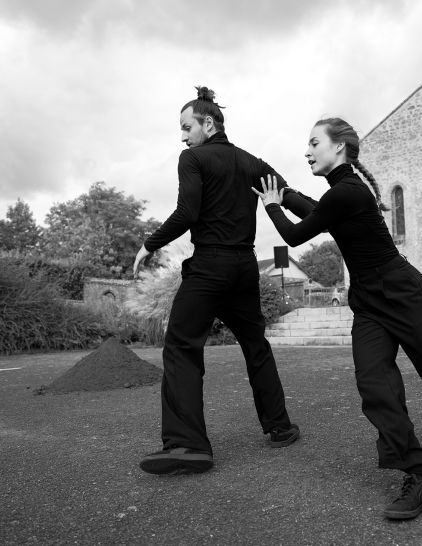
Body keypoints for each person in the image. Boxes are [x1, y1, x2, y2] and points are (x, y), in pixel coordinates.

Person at [252, 117, 422, 520]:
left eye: (314, 142)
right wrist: (285, 193)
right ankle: (421, 477)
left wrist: (272, 204)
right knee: (374, 386)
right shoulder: (340, 195)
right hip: (369, 303)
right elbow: (316, 210)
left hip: (403, 293)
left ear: (339, 147)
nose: (307, 150)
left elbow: (297, 234)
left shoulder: (348, 191)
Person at [132, 86, 312, 475]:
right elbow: (294, 199)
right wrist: (344, 212)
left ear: (208, 124)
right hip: (244, 267)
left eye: (186, 127)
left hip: (210, 267)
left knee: (181, 345)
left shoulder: (192, 159)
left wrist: (149, 245)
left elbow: (187, 213)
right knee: (256, 345)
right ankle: (280, 427)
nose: (182, 137)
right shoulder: (251, 162)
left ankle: (188, 445)